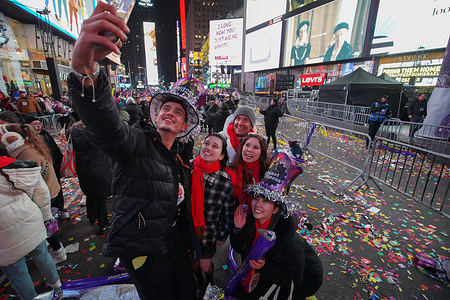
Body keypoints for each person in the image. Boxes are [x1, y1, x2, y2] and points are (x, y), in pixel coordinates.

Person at [67, 3, 198, 298]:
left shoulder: (178, 156)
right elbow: (106, 125)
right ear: (155, 115)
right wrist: (85, 71)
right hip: (145, 252)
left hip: (175, 244)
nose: (170, 113)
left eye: (178, 112)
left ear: (184, 126)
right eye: (165, 107)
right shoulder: (136, 144)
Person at [231, 152, 323, 299]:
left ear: (276, 209)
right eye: (256, 198)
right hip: (269, 273)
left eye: (266, 201)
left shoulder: (288, 240)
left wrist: (265, 267)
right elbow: (241, 249)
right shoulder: (250, 222)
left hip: (304, 281)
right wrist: (238, 229)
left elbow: (294, 281)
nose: (258, 205)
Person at [0, 123, 67, 264]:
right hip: (48, 190)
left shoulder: (26, 154)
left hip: (44, 193)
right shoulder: (28, 148)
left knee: (47, 224)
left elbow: (32, 183)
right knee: (47, 223)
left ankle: (59, 252)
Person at [0, 154, 62, 300]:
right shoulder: (19, 167)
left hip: (5, 234)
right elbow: (42, 193)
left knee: (17, 273)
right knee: (43, 255)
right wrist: (46, 217)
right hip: (30, 219)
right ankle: (56, 284)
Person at [191, 133, 237, 295]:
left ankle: (209, 280)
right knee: (193, 264)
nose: (208, 148)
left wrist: (222, 235)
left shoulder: (225, 180)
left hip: (208, 233)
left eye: (215, 146)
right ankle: (197, 280)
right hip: (186, 230)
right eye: (206, 143)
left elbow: (228, 212)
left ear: (222, 155)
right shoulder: (189, 168)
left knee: (204, 265)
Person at [66, 121, 113, 233]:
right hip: (100, 168)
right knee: (101, 197)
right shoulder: (98, 134)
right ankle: (103, 224)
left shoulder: (73, 133)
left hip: (84, 169)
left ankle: (92, 217)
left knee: (90, 193)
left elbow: (66, 132)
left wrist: (74, 126)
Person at [24, 115, 69, 221]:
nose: (38, 126)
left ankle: (61, 209)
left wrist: (62, 163)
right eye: (35, 124)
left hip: (53, 168)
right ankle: (48, 215)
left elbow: (56, 149)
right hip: (39, 172)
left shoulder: (45, 134)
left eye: (39, 123)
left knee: (57, 189)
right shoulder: (27, 140)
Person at [230, 134, 272, 207]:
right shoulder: (231, 170)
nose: (249, 150)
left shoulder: (269, 173)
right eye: (247, 145)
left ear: (261, 153)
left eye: (255, 147)